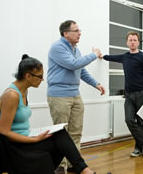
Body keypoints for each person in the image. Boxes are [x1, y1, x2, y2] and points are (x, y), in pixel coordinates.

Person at [0, 54, 95, 174]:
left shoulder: (23, 91)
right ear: (28, 76)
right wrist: (34, 139)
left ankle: (84, 170)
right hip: (12, 146)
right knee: (59, 140)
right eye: (40, 76)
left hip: (24, 139)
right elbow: (4, 132)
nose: (42, 80)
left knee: (60, 134)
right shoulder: (11, 95)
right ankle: (85, 171)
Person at [47, 20, 105, 173]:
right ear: (66, 33)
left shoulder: (75, 50)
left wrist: (96, 84)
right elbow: (73, 64)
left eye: (80, 30)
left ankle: (74, 163)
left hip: (75, 94)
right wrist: (94, 54)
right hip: (59, 96)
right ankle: (60, 166)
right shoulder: (57, 47)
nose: (80, 33)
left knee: (76, 131)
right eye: (76, 30)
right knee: (61, 133)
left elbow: (81, 70)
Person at [101, 31, 143, 157]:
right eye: (130, 40)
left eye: (135, 40)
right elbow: (111, 57)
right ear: (127, 42)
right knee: (129, 120)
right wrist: (101, 56)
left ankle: (140, 147)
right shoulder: (125, 57)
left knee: (141, 122)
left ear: (138, 42)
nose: (133, 42)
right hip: (129, 95)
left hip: (141, 94)